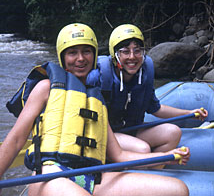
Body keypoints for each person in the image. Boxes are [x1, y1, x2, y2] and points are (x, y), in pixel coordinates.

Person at [0, 23, 190, 196]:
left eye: (86, 52)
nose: (80, 59)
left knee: (177, 189)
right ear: (62, 57)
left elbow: (119, 155)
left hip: (92, 177)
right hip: (51, 175)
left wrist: (167, 156)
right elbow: (16, 140)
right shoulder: (45, 88)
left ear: (94, 55)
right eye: (72, 53)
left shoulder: (97, 101)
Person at [87, 24, 208, 155]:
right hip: (105, 134)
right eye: (125, 51)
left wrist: (188, 113)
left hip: (131, 128)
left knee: (173, 132)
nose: (132, 57)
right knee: (142, 148)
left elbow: (155, 108)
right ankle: (149, 163)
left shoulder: (143, 75)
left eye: (137, 50)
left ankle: (154, 168)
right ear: (115, 55)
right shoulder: (98, 77)